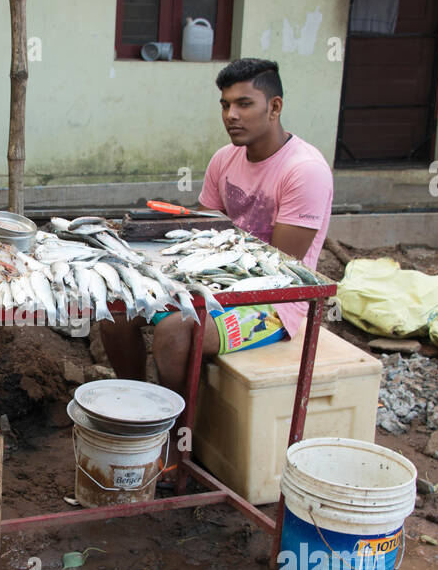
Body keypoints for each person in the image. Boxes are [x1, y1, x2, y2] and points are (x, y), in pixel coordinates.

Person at [100, 58, 333, 398]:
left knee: (175, 332)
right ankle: (138, 411)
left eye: (244, 104)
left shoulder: (304, 170)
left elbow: (284, 266)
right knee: (116, 311)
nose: (231, 115)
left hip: (274, 302)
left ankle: (177, 441)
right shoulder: (225, 158)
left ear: (275, 107)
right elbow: (201, 230)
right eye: (225, 105)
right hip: (215, 281)